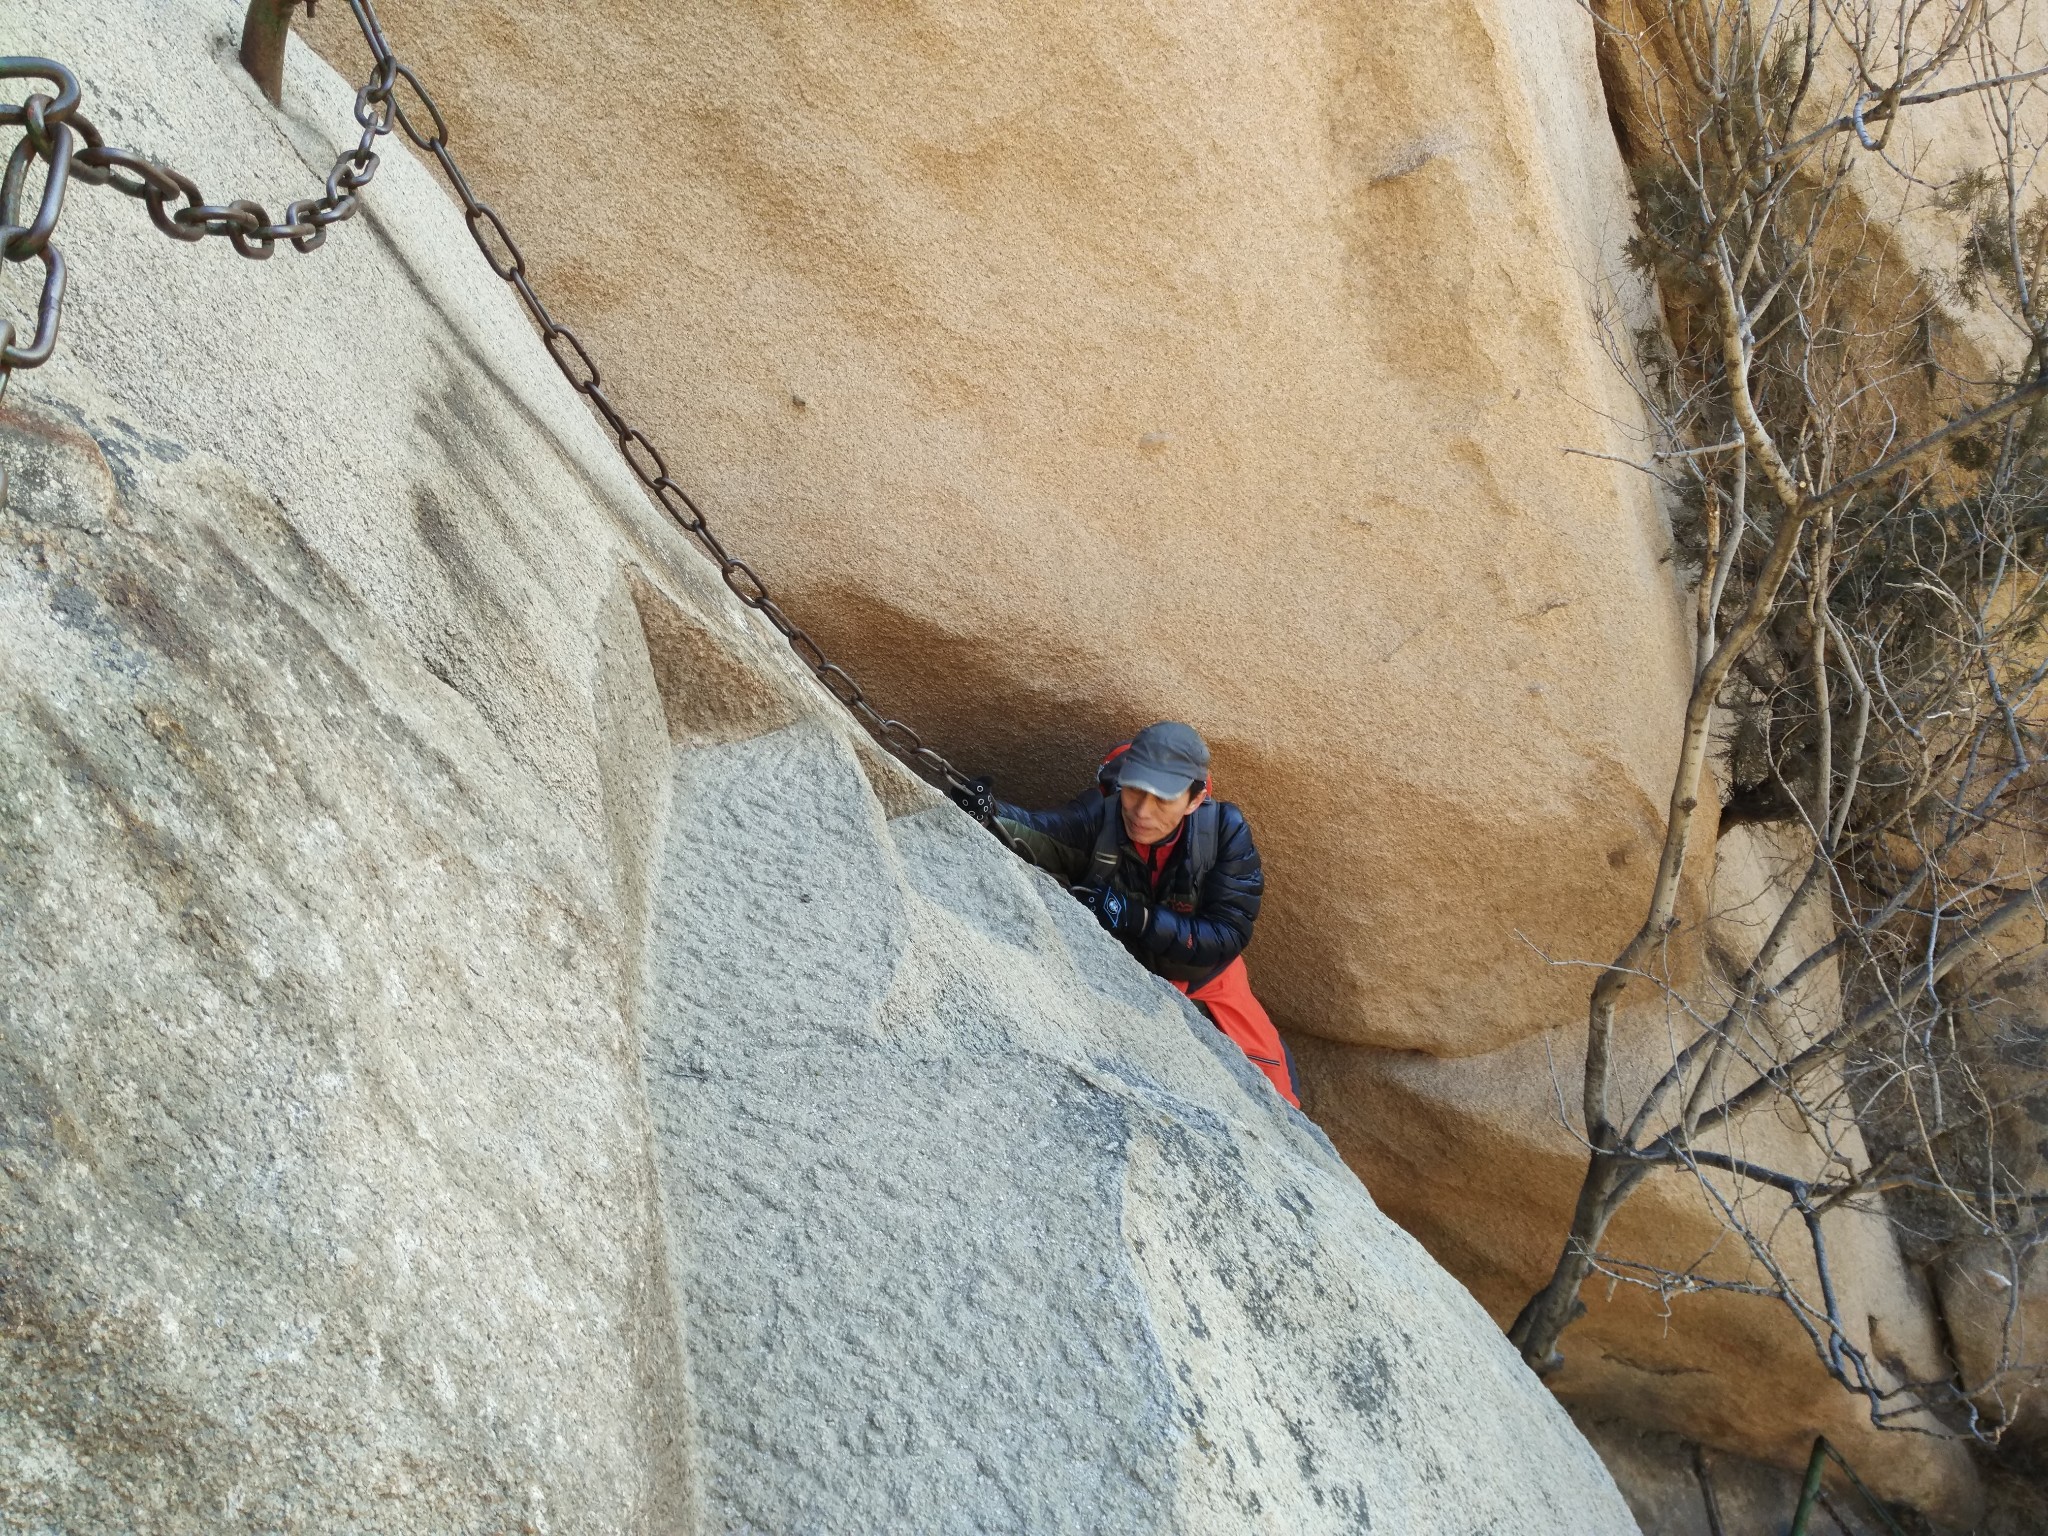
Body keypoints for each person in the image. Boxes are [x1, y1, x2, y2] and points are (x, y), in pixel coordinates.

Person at [951, 721, 1299, 1106]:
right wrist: (988, 815)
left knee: (1274, 1093)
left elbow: (1227, 933)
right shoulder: (1104, 814)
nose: (1141, 812)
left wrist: (1138, 919)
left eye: (1162, 799)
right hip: (1129, 977)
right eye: (1134, 790)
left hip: (1208, 983)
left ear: (1195, 799)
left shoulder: (1223, 834)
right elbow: (1044, 833)